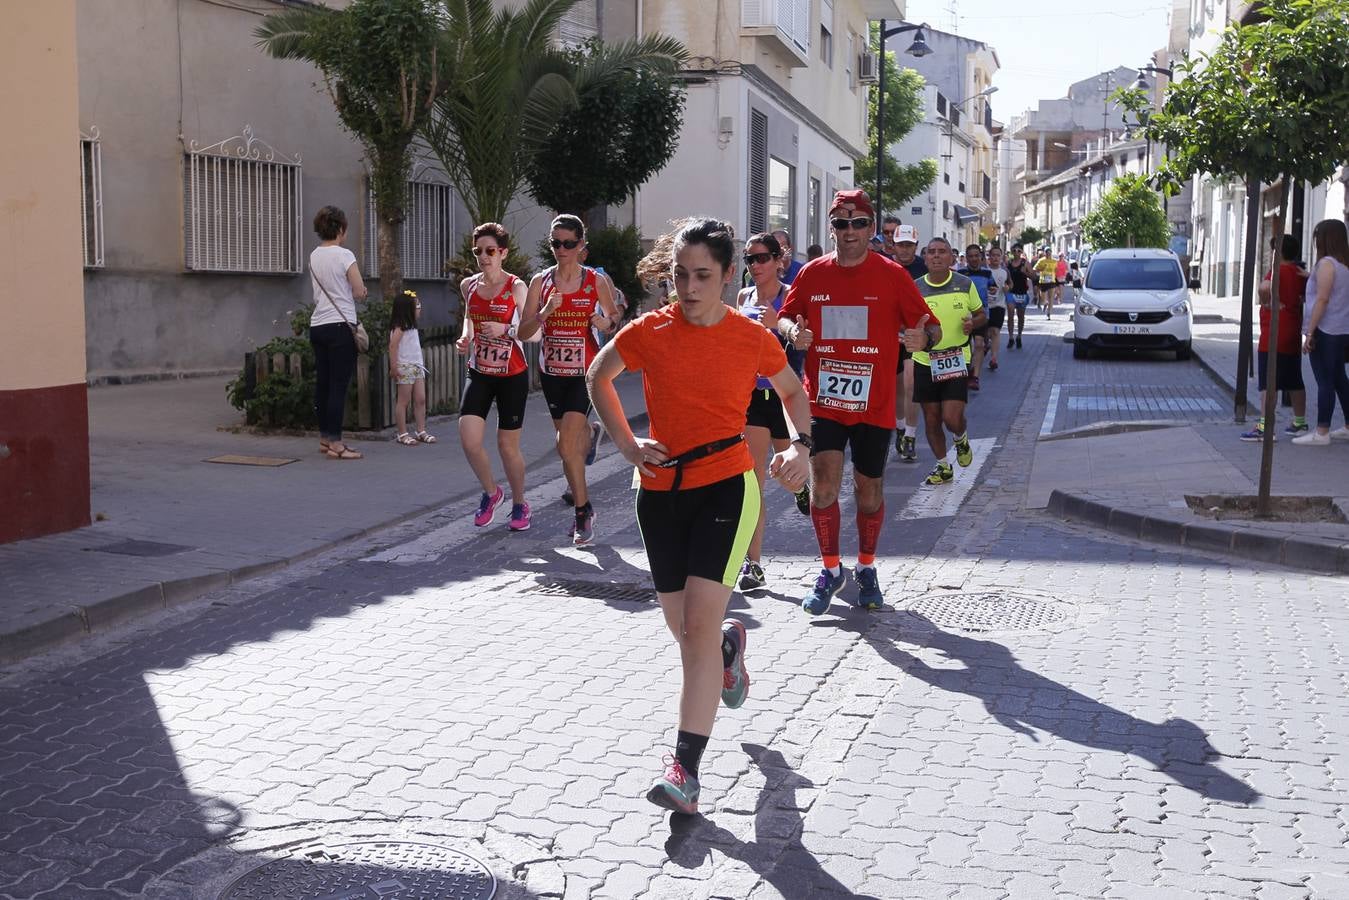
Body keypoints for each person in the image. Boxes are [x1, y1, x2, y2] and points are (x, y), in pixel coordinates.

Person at [587, 217, 812, 815]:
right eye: (679, 275)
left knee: (697, 633)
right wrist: (628, 446)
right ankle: (729, 655)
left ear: (728, 276)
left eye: (701, 276)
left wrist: (798, 447)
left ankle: (684, 768)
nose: (687, 288)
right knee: (687, 632)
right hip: (658, 490)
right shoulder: (650, 331)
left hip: (726, 487)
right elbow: (597, 375)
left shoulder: (750, 336)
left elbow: (792, 392)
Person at [778, 190, 938, 614]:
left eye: (858, 224)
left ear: (871, 229)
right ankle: (831, 570)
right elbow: (785, 315)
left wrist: (925, 338)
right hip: (824, 401)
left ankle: (866, 566)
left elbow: (929, 327)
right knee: (825, 484)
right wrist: (792, 332)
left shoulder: (892, 276)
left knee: (868, 491)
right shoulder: (812, 274)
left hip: (874, 404)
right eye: (840, 223)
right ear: (831, 227)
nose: (848, 232)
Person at [520, 215, 618, 544]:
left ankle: (583, 511)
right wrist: (545, 312)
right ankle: (591, 434)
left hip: (584, 373)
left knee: (565, 444)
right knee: (569, 449)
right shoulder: (540, 282)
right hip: (552, 374)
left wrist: (605, 324)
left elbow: (614, 317)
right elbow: (524, 331)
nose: (561, 249)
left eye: (568, 244)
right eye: (555, 243)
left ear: (580, 246)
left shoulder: (594, 282)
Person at [735, 232, 811, 593]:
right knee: (753, 484)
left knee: (788, 471)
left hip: (786, 396)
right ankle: (754, 565)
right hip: (752, 399)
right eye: (750, 259)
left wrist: (779, 323)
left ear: (779, 260)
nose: (755, 266)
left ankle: (800, 486)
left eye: (762, 257)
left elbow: (800, 344)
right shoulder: (743, 297)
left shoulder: (791, 295)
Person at [456, 222, 532, 530]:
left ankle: (519, 503)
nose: (484, 257)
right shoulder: (468, 286)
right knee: (469, 439)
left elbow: (534, 332)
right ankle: (491, 492)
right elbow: (469, 317)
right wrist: (465, 337)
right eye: (478, 252)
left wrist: (507, 329)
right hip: (480, 370)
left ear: (503, 253)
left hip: (512, 373)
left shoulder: (516, 287)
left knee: (506, 446)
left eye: (490, 251)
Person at [911, 238, 986, 486]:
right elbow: (905, 322)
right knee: (931, 419)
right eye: (931, 252)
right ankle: (943, 466)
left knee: (951, 418)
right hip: (925, 361)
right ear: (925, 257)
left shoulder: (964, 284)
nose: (936, 256)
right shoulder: (915, 288)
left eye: (941, 252)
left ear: (951, 258)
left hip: (955, 358)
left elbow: (981, 314)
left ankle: (961, 437)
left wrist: (971, 324)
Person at [307, 205, 368, 461]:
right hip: (340, 326)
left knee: (323, 384)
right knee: (338, 386)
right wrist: (362, 292)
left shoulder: (313, 256)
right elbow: (357, 289)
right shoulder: (345, 256)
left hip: (317, 325)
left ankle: (324, 437)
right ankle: (336, 443)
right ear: (341, 229)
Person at [1242, 234, 1309, 442]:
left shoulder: (1277, 271)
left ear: (1278, 252)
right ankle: (1300, 422)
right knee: (1294, 380)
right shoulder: (1300, 272)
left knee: (1267, 383)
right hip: (1293, 331)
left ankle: (1265, 426)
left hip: (1274, 334)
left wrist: (1265, 301)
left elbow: (1263, 288)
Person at [1292, 219, 1349, 446]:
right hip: (1342, 329)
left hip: (1326, 329)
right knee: (1339, 380)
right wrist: (1309, 276)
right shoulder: (1344, 266)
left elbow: (1323, 299)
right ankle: (1347, 426)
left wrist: (1310, 332)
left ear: (1324, 239)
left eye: (1317, 237)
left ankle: (1322, 431)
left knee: (1324, 380)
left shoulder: (1326, 264)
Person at [891, 224, 927, 462]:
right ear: (893, 246)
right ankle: (901, 428)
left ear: (915, 246)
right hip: (890, 336)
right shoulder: (884, 268)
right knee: (897, 390)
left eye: (909, 245)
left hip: (914, 334)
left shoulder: (923, 269)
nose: (905, 250)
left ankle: (911, 437)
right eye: (900, 245)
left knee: (911, 385)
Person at [388, 289, 434, 446]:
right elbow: (393, 346)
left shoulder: (412, 326)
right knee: (403, 401)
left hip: (417, 366)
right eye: (417, 305)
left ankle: (421, 430)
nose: (420, 308)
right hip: (405, 366)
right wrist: (394, 368)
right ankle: (402, 433)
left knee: (421, 399)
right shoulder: (400, 327)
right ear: (407, 309)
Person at [957, 244, 994, 391]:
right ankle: (963, 372)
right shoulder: (960, 273)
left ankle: (975, 377)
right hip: (963, 315)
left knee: (979, 344)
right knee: (963, 347)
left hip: (981, 313)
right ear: (967, 258)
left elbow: (993, 287)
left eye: (976, 255)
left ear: (981, 257)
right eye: (970, 256)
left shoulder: (987, 273)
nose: (973, 259)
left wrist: (993, 289)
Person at [985, 245, 1008, 371]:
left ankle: (994, 359)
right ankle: (986, 345)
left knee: (995, 331)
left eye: (998, 255)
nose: (995, 257)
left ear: (1001, 257)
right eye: (993, 255)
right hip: (985, 306)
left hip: (999, 305)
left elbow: (1009, 284)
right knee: (986, 333)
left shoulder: (1004, 272)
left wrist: (1007, 288)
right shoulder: (984, 271)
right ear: (989, 257)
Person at [1005, 243, 1033, 347]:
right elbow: (1004, 276)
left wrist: (1025, 273)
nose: (1016, 252)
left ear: (1021, 252)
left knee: (1021, 317)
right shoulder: (1008, 264)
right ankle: (1011, 337)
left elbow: (1034, 277)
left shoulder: (1025, 263)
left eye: (1019, 251)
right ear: (1012, 252)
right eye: (1014, 251)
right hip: (1011, 293)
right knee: (1010, 315)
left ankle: (1019, 336)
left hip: (1022, 293)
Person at [1034, 248, 1058, 317]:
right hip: (1043, 281)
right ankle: (1045, 303)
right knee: (1042, 298)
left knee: (1051, 297)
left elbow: (1056, 270)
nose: (1048, 254)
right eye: (1047, 253)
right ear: (1045, 253)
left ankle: (1049, 312)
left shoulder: (1054, 261)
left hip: (1051, 281)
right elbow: (1035, 269)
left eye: (1050, 253)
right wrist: (1041, 269)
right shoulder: (1041, 260)